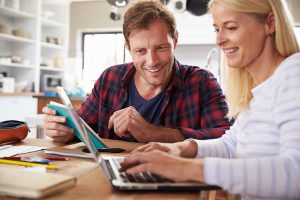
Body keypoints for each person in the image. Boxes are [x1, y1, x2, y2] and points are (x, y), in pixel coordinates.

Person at [120, 0, 300, 199]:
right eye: (217, 29)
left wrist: (186, 168)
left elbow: (296, 171)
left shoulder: (294, 74)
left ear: (270, 23)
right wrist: (179, 149)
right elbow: (231, 146)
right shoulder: (261, 89)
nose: (219, 40)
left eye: (230, 27)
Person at [42, 0, 232, 144]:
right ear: (128, 48)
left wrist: (155, 134)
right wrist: (64, 132)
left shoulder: (201, 82)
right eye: (140, 51)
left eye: (161, 48)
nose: (152, 61)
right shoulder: (110, 78)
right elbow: (83, 131)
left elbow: (228, 138)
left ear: (175, 40)